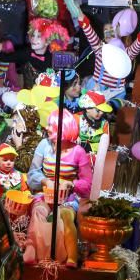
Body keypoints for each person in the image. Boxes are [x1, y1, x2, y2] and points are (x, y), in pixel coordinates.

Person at [24, 109, 91, 268]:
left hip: (68, 198)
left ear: (63, 129)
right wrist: (44, 180)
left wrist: (71, 184)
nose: (47, 128)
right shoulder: (44, 145)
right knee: (37, 212)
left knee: (65, 216)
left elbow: (88, 183)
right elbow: (32, 172)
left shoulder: (78, 152)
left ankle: (71, 256)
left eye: (51, 125)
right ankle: (32, 250)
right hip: (46, 194)